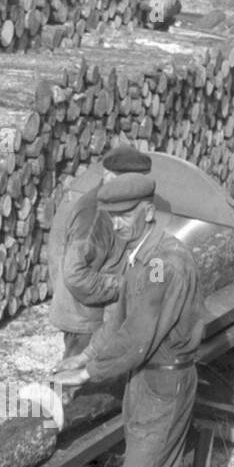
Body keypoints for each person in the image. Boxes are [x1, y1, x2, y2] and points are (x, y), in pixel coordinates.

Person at [52, 173, 204, 467]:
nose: (116, 225)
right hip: (148, 383)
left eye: (124, 215)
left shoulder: (165, 264)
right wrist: (84, 356)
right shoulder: (140, 258)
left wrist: (88, 373)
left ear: (149, 211)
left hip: (164, 382)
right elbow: (117, 323)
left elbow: (136, 341)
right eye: (111, 216)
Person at [48, 145, 152, 359]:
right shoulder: (94, 216)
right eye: (134, 181)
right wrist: (123, 284)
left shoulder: (114, 205)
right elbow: (76, 275)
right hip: (85, 317)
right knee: (75, 373)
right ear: (110, 176)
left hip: (97, 313)